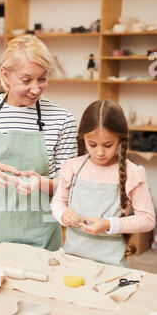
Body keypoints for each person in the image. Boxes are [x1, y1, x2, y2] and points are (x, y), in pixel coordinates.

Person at [0, 34, 77, 251]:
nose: (36, 88)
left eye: (42, 78)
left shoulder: (62, 119)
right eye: (26, 80)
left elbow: (70, 186)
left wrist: (41, 183)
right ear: (5, 74)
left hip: (39, 239)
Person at [51, 99, 156, 266]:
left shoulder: (133, 174)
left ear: (120, 140)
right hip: (72, 259)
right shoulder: (73, 167)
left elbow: (147, 220)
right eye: (92, 144)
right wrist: (63, 214)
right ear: (83, 138)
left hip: (111, 264)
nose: (99, 152)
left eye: (108, 145)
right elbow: (58, 201)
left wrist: (109, 224)